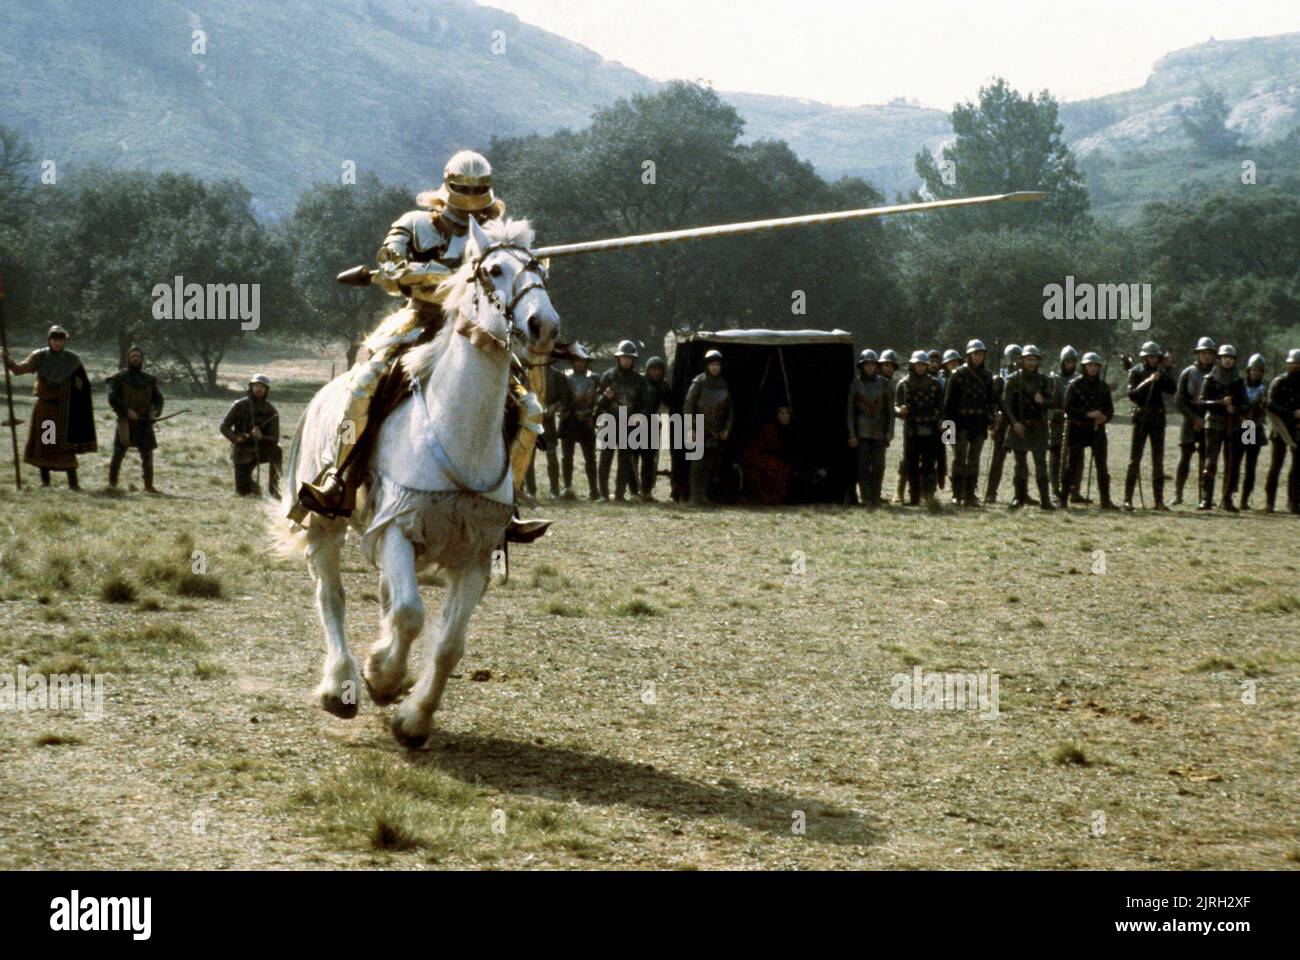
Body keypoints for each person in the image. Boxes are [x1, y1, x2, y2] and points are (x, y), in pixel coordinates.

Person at [297, 150, 508, 518]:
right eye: (464, 188)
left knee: (529, 403)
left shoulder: (496, 231)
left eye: (480, 189)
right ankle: (339, 473)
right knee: (365, 383)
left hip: (473, 330)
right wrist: (439, 275)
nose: (473, 197)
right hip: (421, 322)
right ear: (449, 186)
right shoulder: (414, 223)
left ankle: (509, 501)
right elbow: (391, 267)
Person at [2, 324, 96, 489]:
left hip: (66, 411)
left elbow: (83, 385)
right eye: (54, 339)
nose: (57, 343)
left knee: (67, 447)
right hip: (47, 410)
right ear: (50, 340)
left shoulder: (72, 360)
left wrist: (79, 395)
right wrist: (8, 361)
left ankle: (73, 484)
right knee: (47, 443)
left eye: (60, 340)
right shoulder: (40, 356)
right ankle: (45, 483)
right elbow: (19, 370)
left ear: (64, 341)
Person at [1122, 341, 1175, 511]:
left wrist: (1167, 369)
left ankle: (1158, 500)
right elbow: (1132, 394)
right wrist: (1148, 381)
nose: (1153, 360)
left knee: (1157, 460)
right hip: (1141, 417)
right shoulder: (1135, 371)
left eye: (1155, 357)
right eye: (1150, 357)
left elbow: (1172, 389)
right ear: (1144, 357)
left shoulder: (1161, 371)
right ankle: (1127, 499)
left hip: (1157, 419)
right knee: (1134, 459)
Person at [1002, 344, 1055, 511]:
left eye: (1034, 359)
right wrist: (1014, 423)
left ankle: (1045, 500)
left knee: (1041, 464)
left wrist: (1043, 401)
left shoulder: (1044, 380)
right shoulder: (1013, 380)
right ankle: (1019, 497)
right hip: (1020, 426)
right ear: (1022, 360)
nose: (1031, 363)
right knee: (1020, 465)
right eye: (1028, 359)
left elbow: (1054, 401)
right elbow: (1006, 404)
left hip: (1038, 426)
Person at [1062, 352, 1117, 510]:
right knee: (1072, 466)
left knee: (1102, 466)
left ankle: (1105, 501)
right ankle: (1063, 498)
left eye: (1095, 366)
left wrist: (1104, 417)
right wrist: (1087, 415)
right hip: (1078, 429)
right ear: (1084, 367)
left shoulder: (1103, 387)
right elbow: (1069, 409)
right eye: (1090, 365)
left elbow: (1110, 409)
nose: (1093, 368)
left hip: (1097, 430)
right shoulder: (1074, 385)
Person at [106, 345, 165, 493]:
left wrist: (155, 411)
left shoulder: (149, 379)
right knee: (118, 453)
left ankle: (148, 486)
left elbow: (158, 398)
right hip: (126, 422)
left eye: (138, 356)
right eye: (132, 356)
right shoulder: (119, 377)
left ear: (142, 359)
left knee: (147, 455)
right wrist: (126, 411)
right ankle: (112, 485)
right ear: (128, 358)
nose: (135, 358)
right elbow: (113, 397)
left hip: (144, 421)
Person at [943, 339, 994, 508]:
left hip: (978, 424)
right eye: (975, 354)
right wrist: (947, 432)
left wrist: (993, 418)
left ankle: (971, 494)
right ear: (969, 355)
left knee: (974, 460)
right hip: (960, 423)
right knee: (959, 459)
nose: (978, 357)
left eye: (980, 354)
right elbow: (948, 404)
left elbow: (991, 401)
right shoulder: (957, 375)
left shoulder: (987, 376)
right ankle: (957, 494)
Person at [1197, 344, 1247, 512]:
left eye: (1231, 358)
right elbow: (1202, 401)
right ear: (1219, 359)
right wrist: (1220, 403)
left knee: (1231, 464)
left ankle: (1227, 499)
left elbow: (1245, 403)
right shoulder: (1210, 379)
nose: (1228, 360)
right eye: (1225, 357)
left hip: (1233, 425)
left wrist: (1236, 408)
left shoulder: (1239, 381)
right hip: (1214, 423)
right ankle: (1206, 499)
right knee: (1210, 463)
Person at [596, 340, 647, 502]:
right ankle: (603, 494)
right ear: (618, 358)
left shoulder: (639, 380)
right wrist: (605, 397)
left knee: (624, 461)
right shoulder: (608, 376)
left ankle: (619, 495)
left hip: (628, 425)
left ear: (633, 360)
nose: (626, 360)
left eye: (629, 358)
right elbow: (597, 401)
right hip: (609, 421)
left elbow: (644, 404)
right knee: (605, 459)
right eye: (623, 357)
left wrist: (639, 418)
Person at [894, 350, 944, 511]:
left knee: (929, 465)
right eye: (918, 365)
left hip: (930, 430)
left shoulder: (935, 384)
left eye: (923, 365)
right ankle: (914, 496)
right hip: (911, 430)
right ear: (912, 365)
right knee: (911, 465)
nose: (920, 368)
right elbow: (896, 405)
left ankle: (929, 496)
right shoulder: (904, 384)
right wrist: (900, 409)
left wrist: (945, 427)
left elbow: (942, 407)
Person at [684, 349, 733, 506]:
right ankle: (693, 498)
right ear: (707, 365)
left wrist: (726, 428)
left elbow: (730, 410)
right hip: (698, 427)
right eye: (712, 364)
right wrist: (689, 429)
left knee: (709, 466)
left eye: (717, 364)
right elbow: (688, 405)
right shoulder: (699, 381)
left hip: (715, 430)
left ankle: (704, 496)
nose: (715, 367)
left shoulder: (723, 384)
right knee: (696, 465)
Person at [846, 349, 894, 508]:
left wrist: (890, 432)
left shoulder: (885, 385)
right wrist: (852, 434)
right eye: (867, 364)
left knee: (879, 467)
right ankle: (866, 498)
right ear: (862, 366)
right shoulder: (855, 384)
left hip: (879, 431)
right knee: (863, 467)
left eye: (872, 364)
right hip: (862, 432)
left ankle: (876, 496)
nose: (870, 367)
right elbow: (850, 412)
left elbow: (890, 412)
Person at [220, 374, 282, 497]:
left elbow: (275, 439)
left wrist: (261, 437)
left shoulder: (271, 411)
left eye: (262, 387)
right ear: (251, 387)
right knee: (243, 492)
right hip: (242, 450)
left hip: (262, 448)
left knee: (277, 451)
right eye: (256, 386)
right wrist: (235, 438)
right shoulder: (239, 405)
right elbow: (224, 427)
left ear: (266, 390)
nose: (259, 389)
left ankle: (274, 490)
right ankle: (254, 488)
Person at [1174, 337, 1217, 505]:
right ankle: (1178, 494)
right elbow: (1179, 400)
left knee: (1207, 460)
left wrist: (1208, 418)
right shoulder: (1188, 372)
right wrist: (1194, 418)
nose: (1206, 356)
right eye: (1203, 353)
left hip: (1210, 421)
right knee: (1185, 458)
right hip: (1190, 420)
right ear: (1198, 354)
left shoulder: (1217, 373)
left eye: (1209, 353)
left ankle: (1207, 497)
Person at [559, 343, 600, 500]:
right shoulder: (565, 377)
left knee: (590, 458)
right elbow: (562, 397)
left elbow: (599, 399)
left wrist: (592, 415)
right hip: (569, 420)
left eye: (583, 360)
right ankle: (567, 487)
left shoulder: (594, 378)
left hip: (587, 421)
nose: (580, 363)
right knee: (567, 456)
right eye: (577, 360)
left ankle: (593, 490)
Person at [525, 357, 570, 501]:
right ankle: (531, 491)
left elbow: (564, 397)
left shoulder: (557, 376)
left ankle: (554, 490)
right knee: (528, 458)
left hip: (549, 422)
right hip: (531, 420)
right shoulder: (527, 374)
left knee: (552, 456)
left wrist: (554, 407)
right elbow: (518, 390)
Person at [1264, 348, 1300, 514]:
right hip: (1275, 427)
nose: (1296, 366)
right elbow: (1270, 404)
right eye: (1293, 363)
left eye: (1298, 364)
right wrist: (1290, 413)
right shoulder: (1279, 382)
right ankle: (1269, 502)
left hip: (1298, 429)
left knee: (1297, 468)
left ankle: (1293, 502)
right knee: (1276, 465)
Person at [984, 344, 1022, 504]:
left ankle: (1021, 493)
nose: (1016, 361)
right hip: (1003, 421)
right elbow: (993, 401)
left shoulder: (1024, 376)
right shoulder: (999, 378)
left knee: (1021, 460)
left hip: (1019, 422)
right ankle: (991, 493)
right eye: (1014, 357)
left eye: (1019, 357)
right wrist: (993, 422)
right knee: (997, 460)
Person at [742, 405, 797, 505]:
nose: (783, 416)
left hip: (787, 462)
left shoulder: (794, 430)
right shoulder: (770, 429)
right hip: (771, 460)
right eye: (781, 413)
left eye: (786, 413)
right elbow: (758, 447)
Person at [1239, 353, 1269, 511]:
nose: (1256, 373)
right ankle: (1228, 496)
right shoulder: (1240, 386)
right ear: (1249, 370)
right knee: (1235, 464)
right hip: (1239, 426)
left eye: (1259, 370)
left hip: (1253, 427)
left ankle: (1244, 499)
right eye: (1254, 370)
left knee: (1250, 466)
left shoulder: (1264, 389)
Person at [1049, 346, 1078, 503]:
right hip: (1058, 423)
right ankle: (1055, 490)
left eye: (1072, 362)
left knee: (1074, 459)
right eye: (1067, 361)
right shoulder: (1054, 379)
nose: (1070, 365)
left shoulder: (1078, 379)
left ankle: (1073, 490)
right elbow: (1049, 402)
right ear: (1062, 362)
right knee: (1055, 457)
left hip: (1074, 423)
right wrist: (1056, 413)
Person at [638, 356, 670, 501]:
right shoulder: (639, 382)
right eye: (653, 369)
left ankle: (646, 492)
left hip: (652, 426)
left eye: (659, 370)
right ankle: (633, 492)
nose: (656, 373)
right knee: (631, 459)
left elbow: (670, 403)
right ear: (648, 370)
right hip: (635, 424)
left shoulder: (663, 386)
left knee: (649, 461)